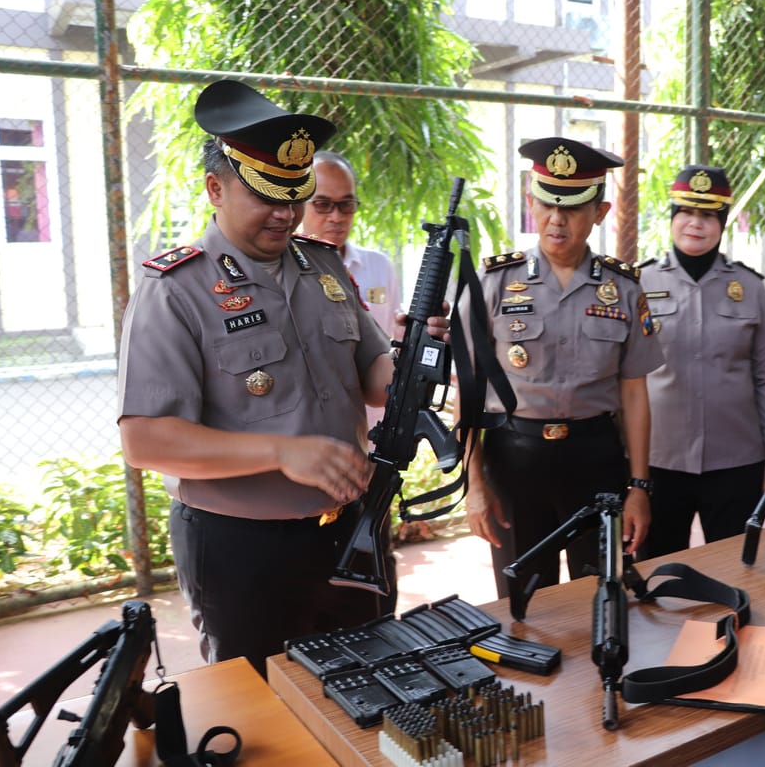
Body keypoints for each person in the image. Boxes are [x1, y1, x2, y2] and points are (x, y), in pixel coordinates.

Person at [117, 80, 407, 675]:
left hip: (353, 529)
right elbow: (145, 439)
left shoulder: (323, 268)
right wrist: (280, 452)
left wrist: (417, 360)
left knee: (371, 687)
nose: (287, 213)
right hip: (243, 549)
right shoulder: (175, 289)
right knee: (259, 706)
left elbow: (377, 378)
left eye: (295, 195)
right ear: (215, 188)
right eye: (267, 195)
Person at [463, 136, 663, 598]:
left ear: (600, 212)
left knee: (601, 599)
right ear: (531, 202)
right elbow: (469, 393)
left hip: (596, 462)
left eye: (572, 207)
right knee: (524, 604)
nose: (557, 219)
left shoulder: (624, 289)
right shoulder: (493, 284)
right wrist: (474, 485)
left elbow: (635, 393)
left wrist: (639, 486)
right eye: (548, 203)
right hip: (513, 461)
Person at [635, 165, 765, 558]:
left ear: (722, 222)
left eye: (708, 215)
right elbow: (621, 379)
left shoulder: (750, 288)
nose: (695, 224)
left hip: (736, 461)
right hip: (659, 460)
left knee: (736, 568)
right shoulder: (639, 284)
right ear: (672, 217)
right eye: (686, 212)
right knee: (657, 572)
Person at [301, 151, 403, 433]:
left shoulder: (378, 266)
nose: (336, 216)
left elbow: (395, 343)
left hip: (375, 427)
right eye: (322, 204)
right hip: (312, 435)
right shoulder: (282, 272)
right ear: (298, 202)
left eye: (346, 205)